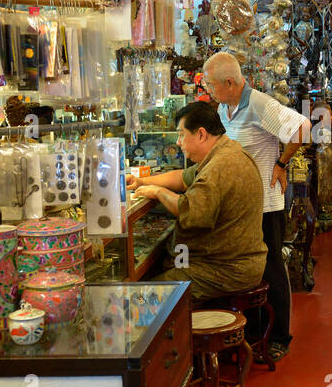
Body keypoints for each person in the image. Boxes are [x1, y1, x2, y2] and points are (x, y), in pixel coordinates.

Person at [202, 52, 311, 361]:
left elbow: (302, 128)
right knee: (250, 269)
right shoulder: (225, 107)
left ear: (229, 82)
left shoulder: (260, 104)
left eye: (211, 84)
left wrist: (281, 163)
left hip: (266, 203)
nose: (208, 89)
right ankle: (255, 330)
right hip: (242, 208)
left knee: (271, 267)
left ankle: (279, 336)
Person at [130, 102, 266, 301]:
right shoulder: (225, 151)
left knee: (145, 297)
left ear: (201, 134)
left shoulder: (219, 167)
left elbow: (190, 211)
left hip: (225, 271)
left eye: (181, 134)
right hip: (231, 262)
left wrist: (159, 193)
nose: (178, 142)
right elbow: (183, 177)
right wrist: (141, 181)